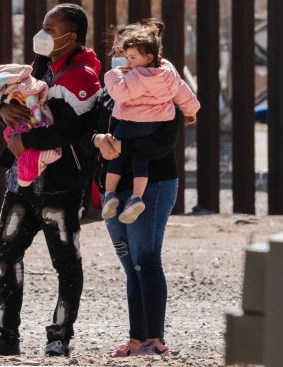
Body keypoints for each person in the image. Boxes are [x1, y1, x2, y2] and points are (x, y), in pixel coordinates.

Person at [0, 3, 101, 360]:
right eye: (43, 26)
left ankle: (60, 338)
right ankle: (5, 336)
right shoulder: (40, 66)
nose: (42, 34)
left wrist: (27, 141)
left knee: (66, 263)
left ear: (72, 36)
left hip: (61, 186)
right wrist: (3, 111)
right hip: (22, 183)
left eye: (50, 29)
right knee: (5, 253)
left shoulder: (83, 77)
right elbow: (17, 108)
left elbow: (71, 130)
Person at [90, 27, 185, 359]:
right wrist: (98, 140)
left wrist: (121, 146)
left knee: (146, 259)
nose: (125, 61)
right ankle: (135, 338)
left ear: (150, 56)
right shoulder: (110, 91)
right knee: (130, 264)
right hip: (115, 188)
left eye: (131, 55)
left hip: (153, 184)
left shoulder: (165, 90)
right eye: (121, 54)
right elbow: (89, 130)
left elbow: (163, 143)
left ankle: (155, 340)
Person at [100, 20, 199, 224]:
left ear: (145, 56)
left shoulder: (132, 77)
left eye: (126, 54)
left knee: (117, 157)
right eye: (117, 53)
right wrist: (191, 111)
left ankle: (110, 194)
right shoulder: (168, 74)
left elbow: (120, 94)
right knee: (140, 160)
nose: (121, 59)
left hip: (154, 172)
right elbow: (183, 92)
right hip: (150, 130)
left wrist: (112, 75)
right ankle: (136, 197)